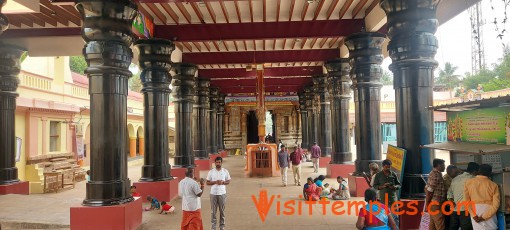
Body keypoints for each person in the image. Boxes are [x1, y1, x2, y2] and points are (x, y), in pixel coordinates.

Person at [464, 164, 500, 230]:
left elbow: (467, 202)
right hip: (489, 210)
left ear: (478, 171)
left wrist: (474, 215)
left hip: (475, 210)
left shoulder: (468, 182)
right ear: (490, 173)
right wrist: (484, 217)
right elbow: (496, 204)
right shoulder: (494, 185)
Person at [448, 162, 479, 230]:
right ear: (475, 171)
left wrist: (451, 201)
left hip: (454, 209)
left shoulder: (455, 179)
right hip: (465, 209)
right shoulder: (474, 180)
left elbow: (449, 194)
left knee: (453, 228)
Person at [206, 156, 231, 230]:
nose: (218, 163)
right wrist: (215, 182)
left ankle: (222, 226)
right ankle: (213, 227)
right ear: (215, 163)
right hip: (213, 194)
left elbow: (228, 181)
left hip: (222, 193)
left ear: (221, 163)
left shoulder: (225, 171)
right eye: (217, 162)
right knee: (213, 211)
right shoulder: (211, 172)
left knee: (222, 211)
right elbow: (207, 182)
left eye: (219, 162)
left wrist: (223, 182)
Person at [425, 159, 447, 230]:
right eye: (444, 165)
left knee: (433, 225)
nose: (445, 167)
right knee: (440, 225)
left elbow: (426, 188)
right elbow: (429, 191)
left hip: (434, 203)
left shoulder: (435, 173)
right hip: (435, 204)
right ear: (439, 166)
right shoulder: (436, 175)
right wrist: (427, 204)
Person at [443, 165, 460, 229]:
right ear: (449, 172)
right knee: (449, 222)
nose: (456, 174)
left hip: (453, 203)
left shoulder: (452, 178)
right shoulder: (446, 179)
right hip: (448, 203)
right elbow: (450, 191)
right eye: (455, 172)